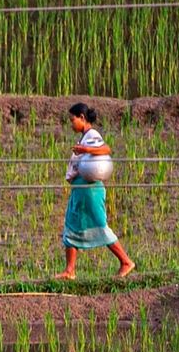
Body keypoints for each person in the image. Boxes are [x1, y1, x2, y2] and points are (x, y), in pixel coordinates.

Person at [57, 103, 136, 281]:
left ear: (82, 118)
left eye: (73, 120)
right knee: (71, 224)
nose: (71, 124)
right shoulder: (84, 137)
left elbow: (106, 149)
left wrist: (86, 150)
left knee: (100, 224)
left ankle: (126, 261)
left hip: (90, 190)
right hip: (80, 190)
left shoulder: (92, 135)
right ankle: (70, 270)